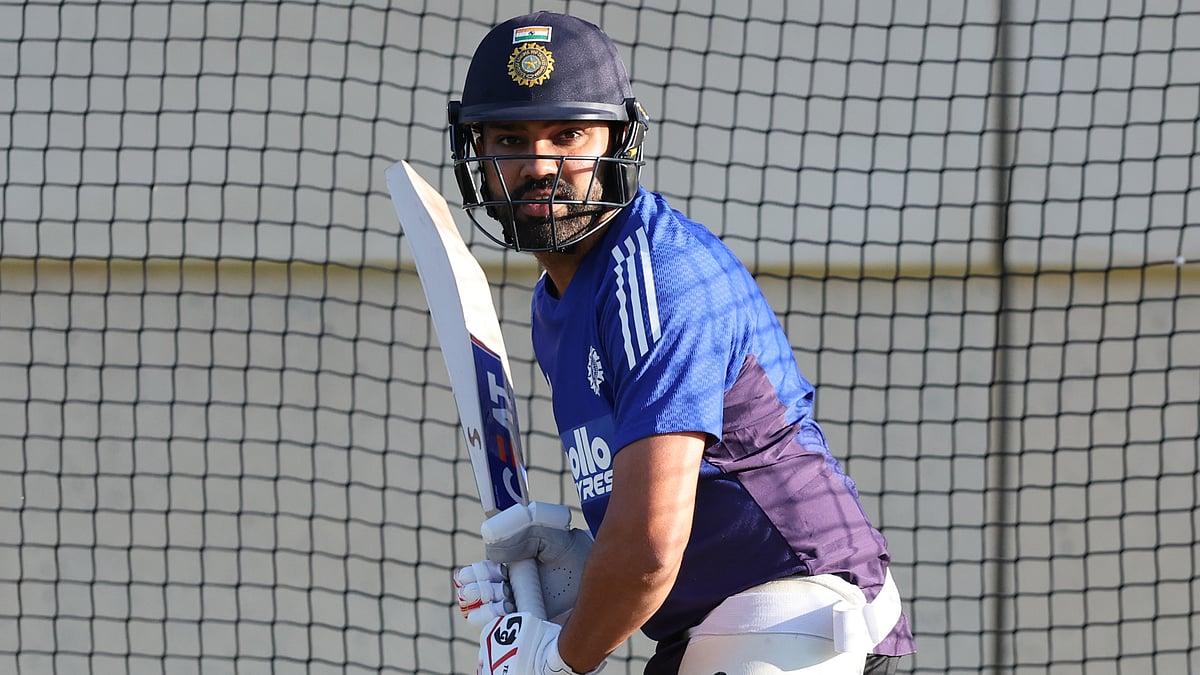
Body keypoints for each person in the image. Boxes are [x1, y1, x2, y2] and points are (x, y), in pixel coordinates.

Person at [446, 11, 916, 675]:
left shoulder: (655, 278)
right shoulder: (556, 303)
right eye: (512, 138)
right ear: (478, 151)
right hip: (711, 638)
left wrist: (558, 655)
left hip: (798, 628)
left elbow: (647, 551)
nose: (539, 164)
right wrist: (583, 568)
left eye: (568, 133)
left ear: (617, 139)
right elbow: (652, 517)